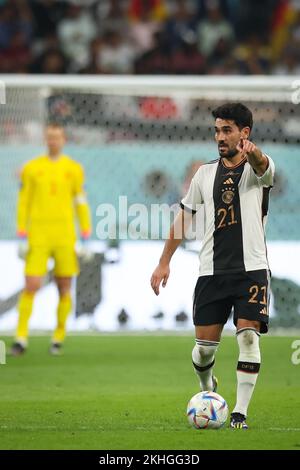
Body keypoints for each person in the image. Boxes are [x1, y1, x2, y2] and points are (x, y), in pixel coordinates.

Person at [151, 103, 275, 429]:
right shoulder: (204, 174)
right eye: (217, 130)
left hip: (251, 269)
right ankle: (208, 392)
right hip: (211, 273)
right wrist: (164, 262)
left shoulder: (259, 168)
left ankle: (240, 413)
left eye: (227, 130)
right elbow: (184, 218)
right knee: (204, 351)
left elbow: (263, 166)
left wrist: (255, 153)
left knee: (248, 338)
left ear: (244, 133)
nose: (220, 137)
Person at [11, 124, 92, 356]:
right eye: (49, 138)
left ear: (64, 140)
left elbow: (80, 202)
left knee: (64, 287)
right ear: (45, 140)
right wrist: (21, 234)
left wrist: (85, 235)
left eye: (56, 137)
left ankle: (58, 337)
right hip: (38, 234)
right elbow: (24, 202)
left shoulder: (74, 169)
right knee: (31, 284)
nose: (53, 141)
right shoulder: (32, 168)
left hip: (65, 235)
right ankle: (21, 337)